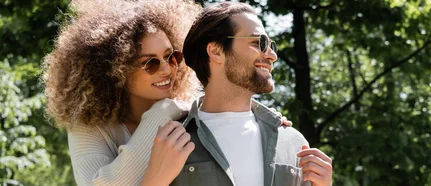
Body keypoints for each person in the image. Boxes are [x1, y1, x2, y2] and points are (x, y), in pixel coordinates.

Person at [42, 0, 291, 185]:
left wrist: (264, 121)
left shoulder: (186, 109)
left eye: (172, 57)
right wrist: (159, 115)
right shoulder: (90, 126)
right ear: (114, 70)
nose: (167, 70)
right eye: (150, 63)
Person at [172, 2, 333, 186]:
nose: (272, 55)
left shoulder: (294, 144)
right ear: (216, 51)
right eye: (258, 43)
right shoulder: (174, 141)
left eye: (271, 45)